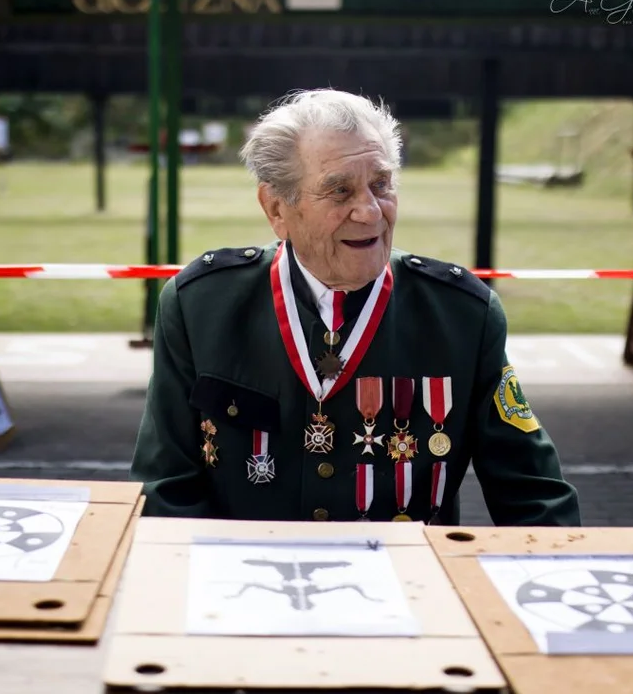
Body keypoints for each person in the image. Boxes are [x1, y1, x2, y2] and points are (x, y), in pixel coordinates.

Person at [129, 89, 581, 526]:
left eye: (380, 185)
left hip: (410, 588)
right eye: (339, 192)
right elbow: (166, 488)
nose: (369, 211)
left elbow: (532, 494)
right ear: (277, 208)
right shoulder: (201, 306)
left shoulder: (462, 315)